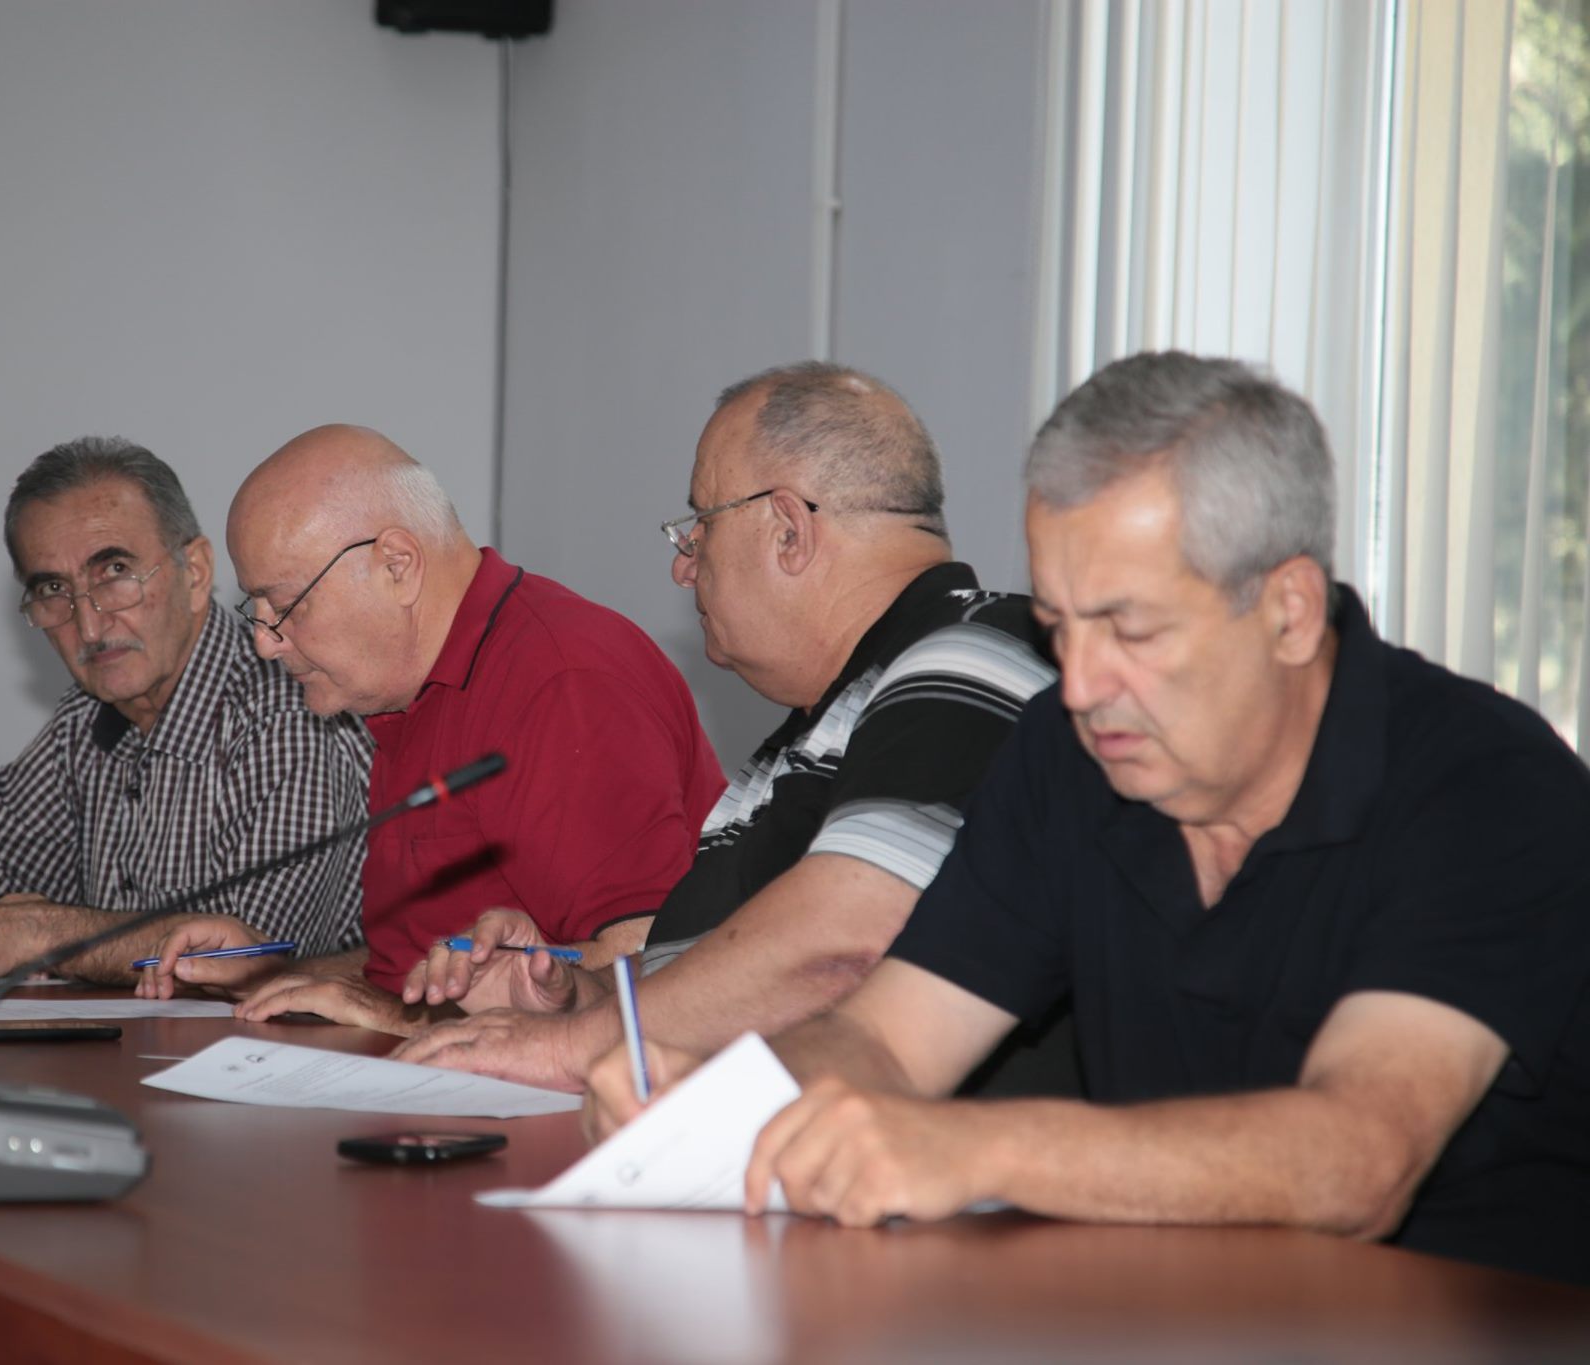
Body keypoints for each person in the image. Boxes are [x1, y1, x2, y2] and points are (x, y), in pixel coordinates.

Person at [587, 353, 1590, 1286]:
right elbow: (885, 1043)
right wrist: (719, 1105)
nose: (1081, 684)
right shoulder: (1067, 758)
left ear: (1287, 609)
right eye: (1061, 630)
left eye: (1129, 628)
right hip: (1163, 1314)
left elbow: (1355, 1159)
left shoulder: (1482, 783)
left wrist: (972, 1148)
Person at [390, 363, 1058, 1091]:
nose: (684, 569)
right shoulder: (802, 740)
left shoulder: (977, 651)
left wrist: (574, 1047)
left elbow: (846, 941)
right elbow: (725, 978)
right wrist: (573, 993)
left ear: (789, 531)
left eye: (699, 527)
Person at [136, 424, 725, 1032]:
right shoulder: (407, 693)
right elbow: (417, 970)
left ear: (397, 565)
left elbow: (651, 967)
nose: (264, 643)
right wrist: (273, 973)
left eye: (284, 607)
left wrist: (392, 1016)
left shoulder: (560, 681)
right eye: (255, 611)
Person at [0, 437, 372, 988]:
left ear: (194, 572)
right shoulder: (85, 714)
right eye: (53, 588)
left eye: (114, 571)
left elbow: (245, 956)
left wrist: (37, 933)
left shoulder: (286, 714)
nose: (89, 626)